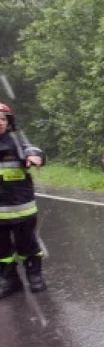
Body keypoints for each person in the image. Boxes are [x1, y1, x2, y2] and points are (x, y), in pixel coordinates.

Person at [0, 103, 47, 297]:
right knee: (2, 251)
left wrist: (35, 156)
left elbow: (33, 150)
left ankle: (34, 275)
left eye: (2, 118)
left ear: (9, 121)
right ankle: (9, 281)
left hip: (22, 207)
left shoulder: (16, 140)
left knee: (27, 244)